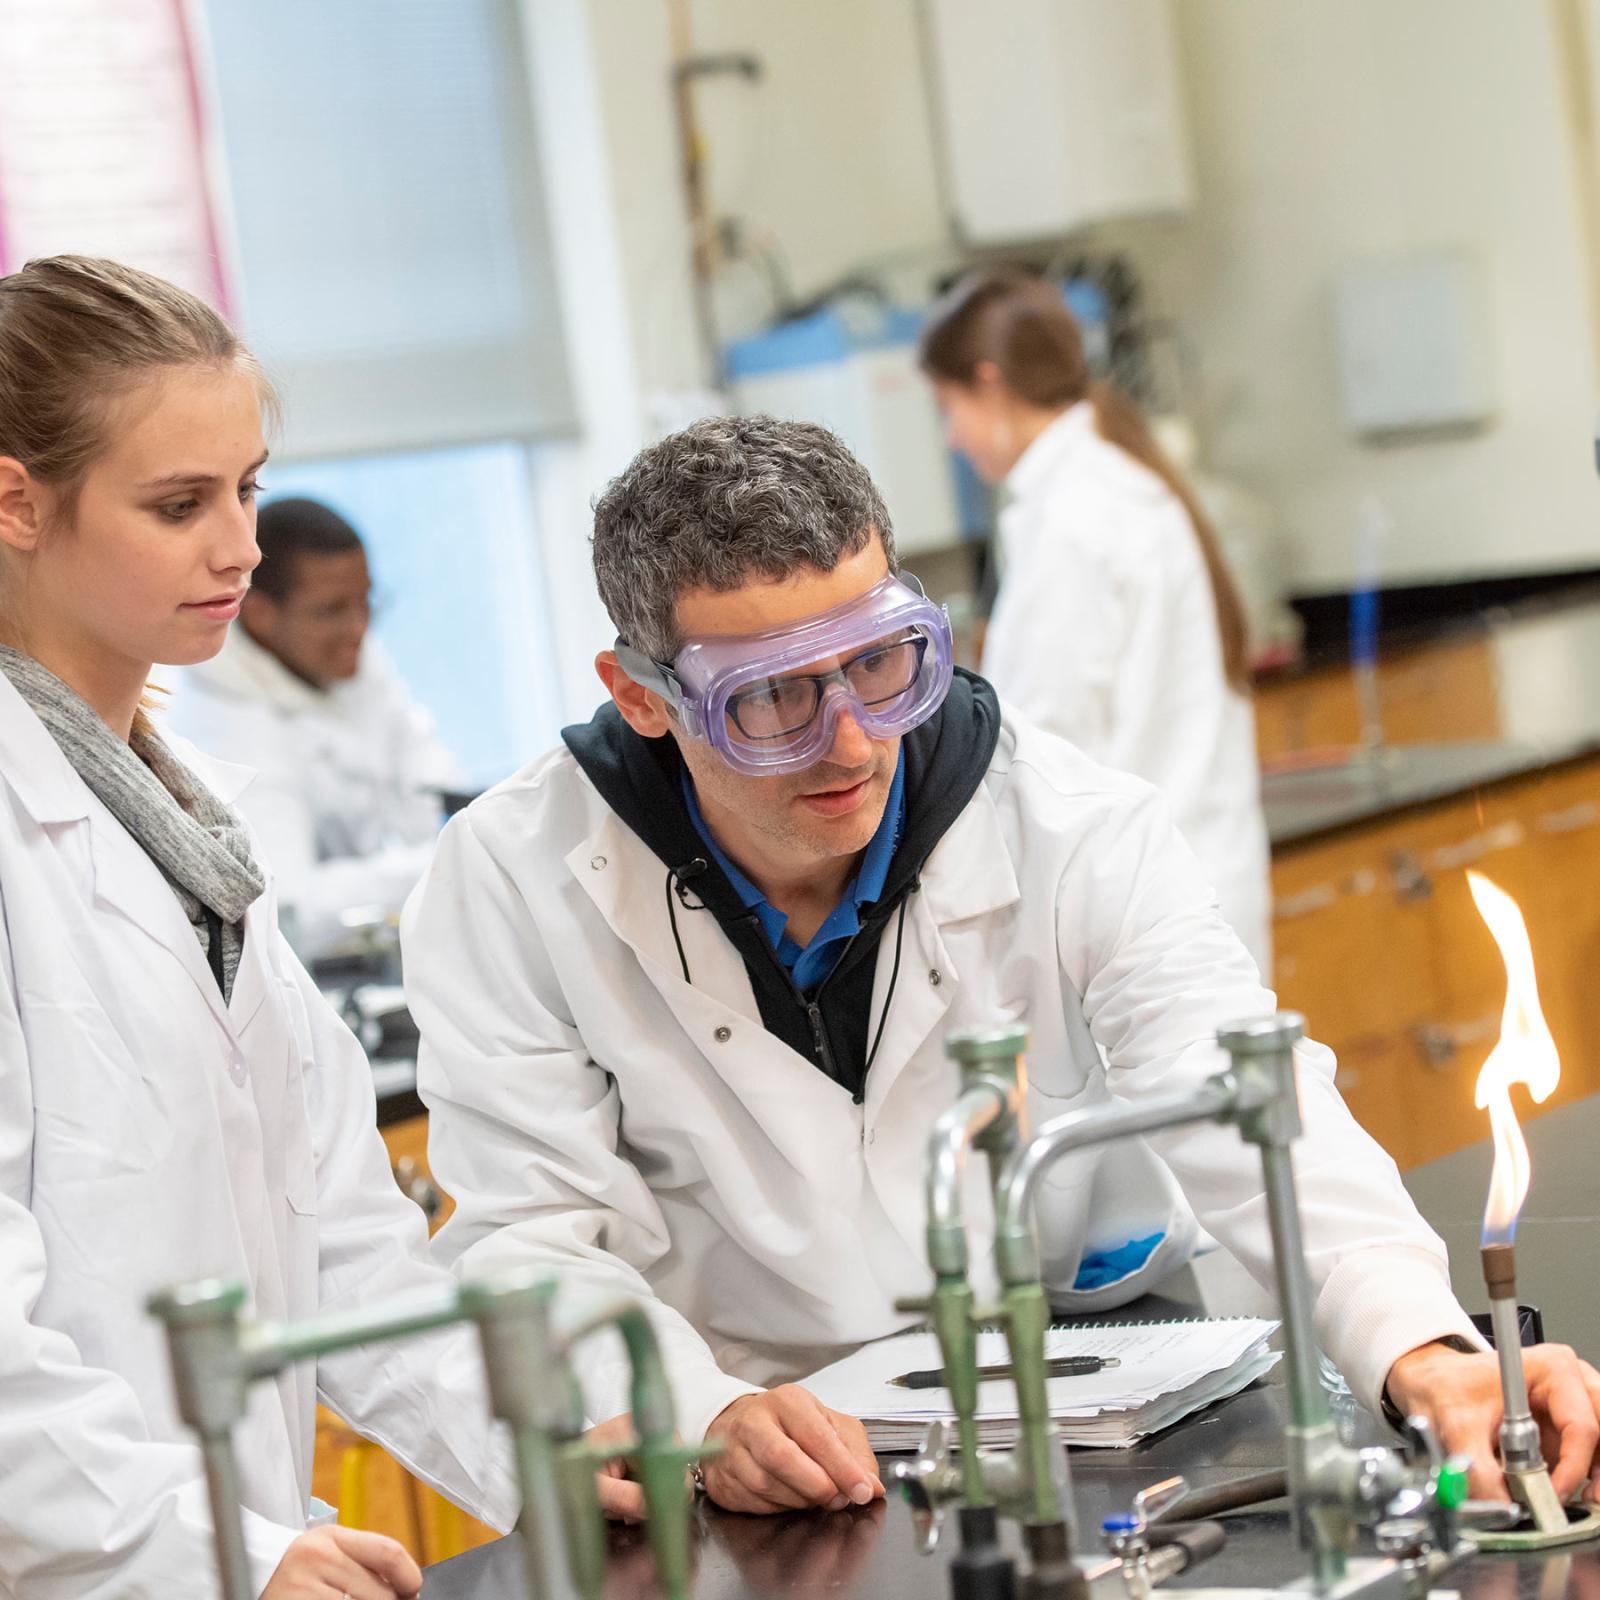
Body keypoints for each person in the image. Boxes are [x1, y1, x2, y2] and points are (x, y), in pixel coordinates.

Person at [404, 414, 1600, 1523]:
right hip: (765, 1455)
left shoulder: (1070, 824)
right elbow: (533, 1230)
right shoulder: (512, 879)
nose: (853, 739)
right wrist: (694, 1410)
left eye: (880, 662)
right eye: (770, 698)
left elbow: (1255, 1107)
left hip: (1091, 1411)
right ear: (643, 697)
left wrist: (1427, 1355)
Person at [0, 255, 513, 1598]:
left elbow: (343, 1243)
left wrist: (574, 1452)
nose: (239, 548)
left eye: (247, 489)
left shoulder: (188, 828)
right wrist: (214, 1555)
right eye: (179, 505)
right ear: (15, 504)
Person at [918, 269, 1274, 975]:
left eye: (948, 406)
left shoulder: (1072, 522)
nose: (951, 437)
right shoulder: (1113, 485)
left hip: (1147, 911)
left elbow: (1039, 740)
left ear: (990, 383)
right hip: (1193, 883)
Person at [165, 496, 463, 961]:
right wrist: (439, 862)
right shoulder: (224, 724)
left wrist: (447, 847)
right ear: (260, 614)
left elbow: (434, 787)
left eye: (366, 602)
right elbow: (291, 905)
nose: (359, 628)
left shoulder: (348, 659)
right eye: (332, 610)